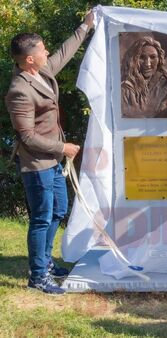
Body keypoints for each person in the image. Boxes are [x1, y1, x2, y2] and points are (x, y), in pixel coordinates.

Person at [5, 11, 95, 294]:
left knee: (58, 209)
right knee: (42, 217)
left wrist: (86, 26)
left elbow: (64, 52)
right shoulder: (20, 90)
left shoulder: (42, 73)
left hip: (53, 161)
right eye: (42, 49)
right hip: (37, 163)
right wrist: (63, 147)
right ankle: (38, 277)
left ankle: (45, 263)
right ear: (29, 59)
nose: (47, 51)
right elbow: (26, 136)